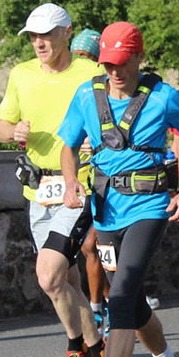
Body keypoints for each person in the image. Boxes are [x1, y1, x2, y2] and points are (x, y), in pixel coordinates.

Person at [57, 22, 179, 357]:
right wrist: (71, 181)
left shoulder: (163, 97)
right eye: (108, 63)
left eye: (123, 63)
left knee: (121, 296)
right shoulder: (89, 94)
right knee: (130, 302)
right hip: (106, 211)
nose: (116, 71)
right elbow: (68, 144)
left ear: (139, 58)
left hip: (150, 207)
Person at [0, 2, 107, 357]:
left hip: (78, 187)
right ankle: (79, 346)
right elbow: (0, 124)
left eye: (46, 34)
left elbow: (113, 115)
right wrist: (14, 132)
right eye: (33, 36)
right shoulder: (22, 74)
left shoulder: (91, 73)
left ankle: (93, 352)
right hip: (38, 189)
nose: (39, 42)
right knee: (64, 279)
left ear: (67, 33)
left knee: (48, 274)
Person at [68, 28, 111, 330]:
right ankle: (106, 303)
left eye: (88, 57)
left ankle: (103, 307)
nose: (81, 62)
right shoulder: (79, 92)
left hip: (108, 181)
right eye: (77, 56)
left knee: (93, 245)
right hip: (79, 180)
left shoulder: (108, 89)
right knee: (87, 248)